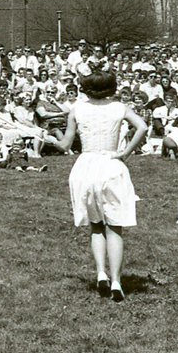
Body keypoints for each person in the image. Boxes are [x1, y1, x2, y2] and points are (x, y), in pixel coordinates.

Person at [45, 70, 148, 302]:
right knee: (115, 226)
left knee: (96, 225)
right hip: (111, 165)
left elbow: (64, 145)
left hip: (86, 167)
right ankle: (115, 281)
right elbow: (142, 127)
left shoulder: (76, 110)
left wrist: (50, 139)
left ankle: (101, 272)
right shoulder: (119, 107)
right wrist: (125, 153)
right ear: (111, 88)